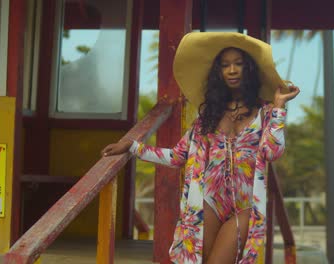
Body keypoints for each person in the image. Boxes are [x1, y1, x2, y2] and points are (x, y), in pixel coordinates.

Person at [102, 32, 300, 264]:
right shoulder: (209, 116)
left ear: (249, 70)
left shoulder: (266, 113)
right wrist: (132, 147)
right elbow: (177, 156)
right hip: (210, 202)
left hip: (245, 206)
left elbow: (272, 152)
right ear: (219, 72)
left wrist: (279, 108)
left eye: (238, 64)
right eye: (225, 66)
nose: (232, 70)